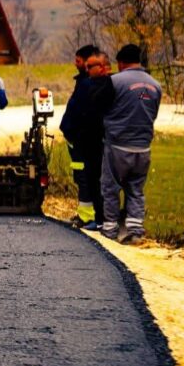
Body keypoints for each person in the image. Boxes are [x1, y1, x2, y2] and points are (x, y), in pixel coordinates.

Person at [93, 44, 162, 244]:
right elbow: (153, 113)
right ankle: (135, 229)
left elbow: (99, 107)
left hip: (117, 145)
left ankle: (110, 229)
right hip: (143, 147)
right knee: (135, 189)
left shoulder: (114, 81)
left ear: (121, 62)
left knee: (110, 187)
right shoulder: (155, 85)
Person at [61, 48, 110, 231]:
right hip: (77, 139)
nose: (78, 64)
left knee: (87, 178)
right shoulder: (84, 82)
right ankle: (86, 215)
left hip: (84, 140)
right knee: (82, 176)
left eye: (80, 61)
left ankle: (90, 217)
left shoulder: (92, 85)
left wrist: (75, 133)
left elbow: (85, 113)